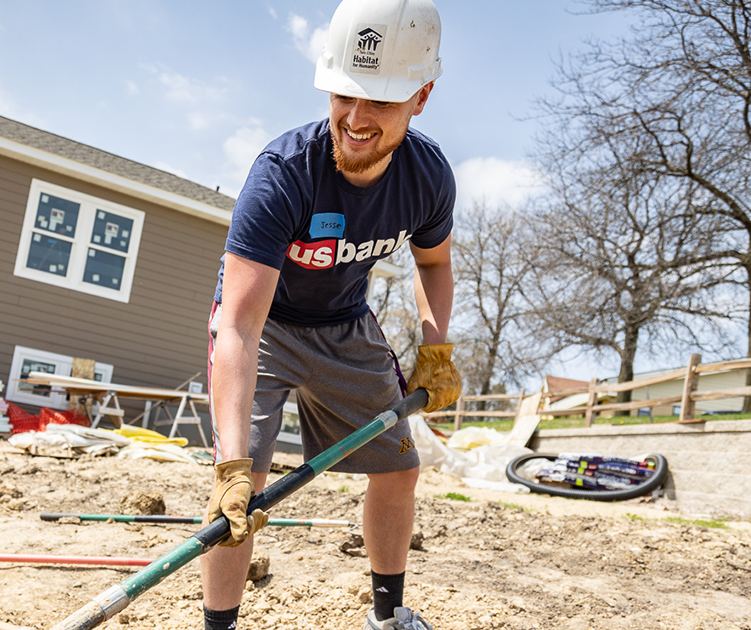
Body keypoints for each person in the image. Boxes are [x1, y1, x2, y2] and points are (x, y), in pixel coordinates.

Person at [199, 1, 461, 629]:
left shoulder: (427, 179)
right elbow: (236, 326)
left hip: (344, 323)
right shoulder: (283, 176)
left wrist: (436, 347)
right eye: (345, 93)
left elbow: (433, 263)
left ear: (421, 97)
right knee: (241, 489)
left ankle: (388, 616)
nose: (357, 118)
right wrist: (232, 466)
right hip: (264, 327)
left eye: (381, 101)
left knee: (399, 468)